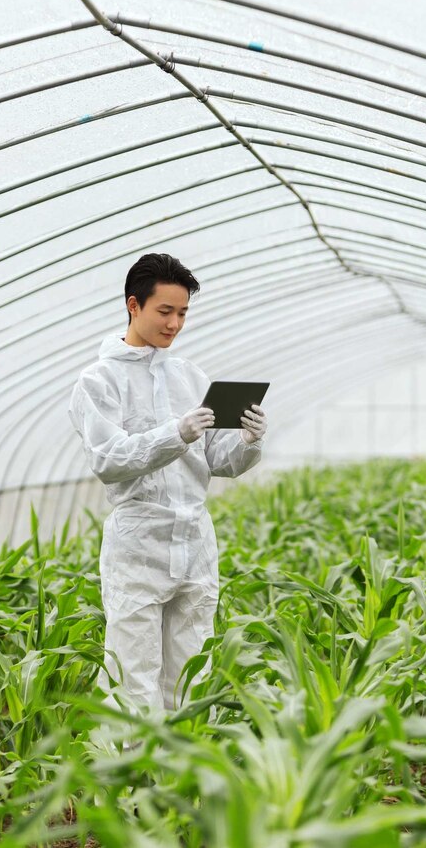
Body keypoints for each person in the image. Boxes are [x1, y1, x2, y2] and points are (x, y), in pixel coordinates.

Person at [67, 252, 268, 716]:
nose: (175, 324)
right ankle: (131, 784)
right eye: (165, 311)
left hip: (195, 545)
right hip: (139, 548)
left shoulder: (190, 376)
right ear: (133, 306)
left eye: (182, 314)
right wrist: (174, 433)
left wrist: (250, 441)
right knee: (132, 681)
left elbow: (218, 460)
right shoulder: (100, 381)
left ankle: (186, 782)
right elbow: (107, 459)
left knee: (193, 676)